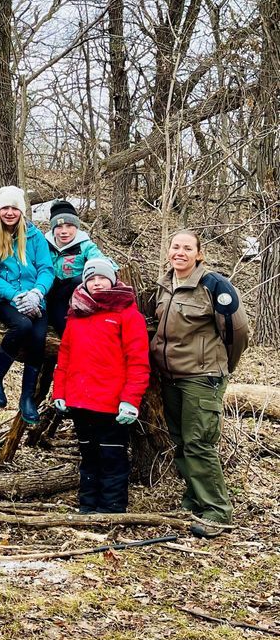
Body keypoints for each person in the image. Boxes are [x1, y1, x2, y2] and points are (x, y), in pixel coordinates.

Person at [150, 230, 249, 538]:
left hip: (201, 378)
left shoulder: (213, 285)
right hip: (170, 377)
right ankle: (195, 500)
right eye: (175, 246)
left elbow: (238, 332)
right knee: (181, 441)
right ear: (168, 251)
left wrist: (220, 367)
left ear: (199, 254)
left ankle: (218, 511)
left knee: (199, 443)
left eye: (187, 248)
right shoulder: (165, 285)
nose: (180, 252)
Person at [51, 258, 149, 514]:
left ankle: (112, 509)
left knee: (112, 457)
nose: (96, 282)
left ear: (113, 280)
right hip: (79, 400)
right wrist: (59, 392)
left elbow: (138, 361)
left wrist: (130, 400)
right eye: (91, 278)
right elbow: (64, 357)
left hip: (112, 403)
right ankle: (88, 505)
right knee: (88, 455)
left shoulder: (127, 314)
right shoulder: (76, 313)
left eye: (102, 278)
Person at [0, 186, 55, 425]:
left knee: (38, 337)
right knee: (22, 325)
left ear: (22, 212)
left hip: (36, 297)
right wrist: (16, 296)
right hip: (4, 299)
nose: (10, 212)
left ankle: (27, 398)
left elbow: (46, 268)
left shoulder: (35, 236)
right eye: (5, 208)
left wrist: (37, 292)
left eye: (15, 208)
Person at [44, 200, 112, 335]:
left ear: (76, 227)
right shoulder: (44, 244)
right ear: (52, 229)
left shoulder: (85, 245)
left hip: (75, 294)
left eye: (69, 226)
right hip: (51, 294)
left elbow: (101, 262)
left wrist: (107, 269)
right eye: (59, 227)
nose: (64, 231)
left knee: (78, 279)